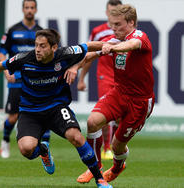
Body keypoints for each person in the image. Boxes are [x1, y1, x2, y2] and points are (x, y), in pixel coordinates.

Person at [0, 29, 113, 188]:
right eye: (36, 45)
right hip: (30, 111)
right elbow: (0, 65)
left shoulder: (65, 54)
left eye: (43, 46)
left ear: (53, 47)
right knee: (26, 150)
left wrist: (108, 46)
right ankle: (43, 150)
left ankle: (99, 179)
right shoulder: (24, 59)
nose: (38, 49)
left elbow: (89, 47)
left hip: (56, 107)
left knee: (76, 137)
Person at [66, 4, 155, 184]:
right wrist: (75, 66)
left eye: (117, 24)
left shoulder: (139, 36)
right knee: (92, 122)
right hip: (119, 93)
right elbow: (90, 54)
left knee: (117, 145)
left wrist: (112, 48)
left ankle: (117, 167)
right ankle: (96, 166)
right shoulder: (115, 39)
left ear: (131, 22)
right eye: (111, 25)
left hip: (140, 102)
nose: (113, 29)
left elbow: (132, 45)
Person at [76, 0, 122, 183]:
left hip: (121, 80)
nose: (113, 17)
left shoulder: (128, 34)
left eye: (117, 13)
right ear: (106, 13)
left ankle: (115, 152)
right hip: (104, 77)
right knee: (102, 116)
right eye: (111, 13)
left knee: (118, 118)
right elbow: (89, 56)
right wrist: (80, 78)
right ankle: (106, 148)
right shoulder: (99, 31)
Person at [0, 0, 50, 158]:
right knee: (13, 117)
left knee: (45, 114)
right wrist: (7, 71)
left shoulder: (41, 32)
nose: (29, 10)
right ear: (23, 9)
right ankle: (5, 141)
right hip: (17, 79)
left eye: (32, 7)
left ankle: (45, 151)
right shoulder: (13, 30)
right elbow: (2, 51)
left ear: (36, 10)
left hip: (36, 81)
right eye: (26, 7)